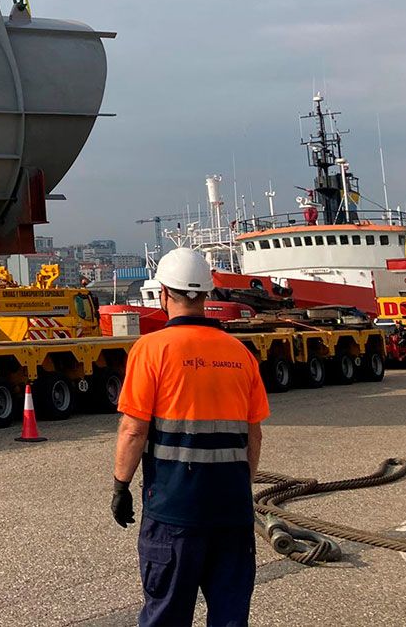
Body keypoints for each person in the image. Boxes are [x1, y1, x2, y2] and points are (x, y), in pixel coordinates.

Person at [110, 248, 269, 627]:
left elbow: (134, 429)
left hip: (175, 510)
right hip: (232, 511)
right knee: (230, 617)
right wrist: (238, 487)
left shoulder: (151, 350)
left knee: (166, 614)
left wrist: (120, 486)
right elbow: (254, 435)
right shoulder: (240, 353)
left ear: (164, 294)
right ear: (208, 294)